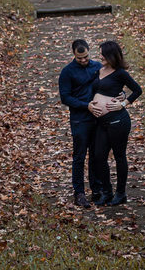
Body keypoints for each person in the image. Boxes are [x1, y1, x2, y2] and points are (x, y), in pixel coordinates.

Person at [88, 40, 142, 206]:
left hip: (118, 121)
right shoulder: (99, 71)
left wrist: (123, 103)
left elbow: (137, 90)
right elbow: (94, 91)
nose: (100, 56)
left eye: (103, 54)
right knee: (99, 156)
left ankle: (120, 193)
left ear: (112, 56)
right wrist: (90, 104)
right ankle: (107, 192)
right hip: (101, 122)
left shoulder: (120, 73)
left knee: (119, 157)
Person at [58, 39, 104, 207]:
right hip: (79, 119)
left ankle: (97, 190)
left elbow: (109, 84)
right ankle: (79, 193)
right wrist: (86, 106)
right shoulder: (67, 72)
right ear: (74, 55)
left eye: (86, 57)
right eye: (80, 58)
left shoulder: (97, 67)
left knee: (96, 155)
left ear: (89, 52)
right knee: (79, 156)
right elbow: (65, 97)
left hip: (98, 117)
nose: (83, 60)